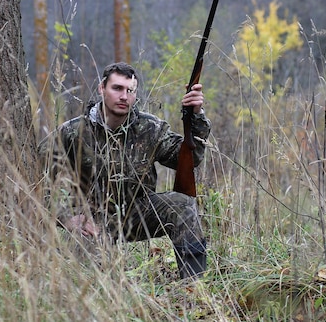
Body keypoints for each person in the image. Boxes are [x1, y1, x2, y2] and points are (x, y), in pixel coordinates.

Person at [39, 62, 211, 279]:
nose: (124, 96)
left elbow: (190, 159)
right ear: (102, 88)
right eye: (117, 88)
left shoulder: (151, 128)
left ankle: (195, 287)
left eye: (130, 90)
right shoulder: (73, 132)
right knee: (94, 284)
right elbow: (34, 178)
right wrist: (67, 217)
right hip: (92, 221)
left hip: (137, 213)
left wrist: (195, 115)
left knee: (182, 204)